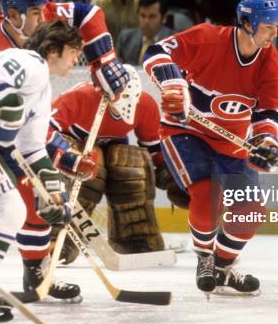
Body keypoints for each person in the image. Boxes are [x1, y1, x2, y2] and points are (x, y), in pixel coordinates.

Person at [0, 0, 127, 302]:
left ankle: (21, 275)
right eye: (35, 11)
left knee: (32, 199)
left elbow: (88, 14)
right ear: (12, 15)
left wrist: (104, 61)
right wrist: (64, 158)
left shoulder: (39, 48)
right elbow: (5, 116)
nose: (44, 17)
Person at [142, 0, 278, 295]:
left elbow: (269, 116)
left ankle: (223, 267)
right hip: (185, 131)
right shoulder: (208, 38)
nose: (275, 33)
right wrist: (171, 83)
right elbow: (156, 52)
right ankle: (204, 258)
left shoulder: (273, 65)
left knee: (250, 213)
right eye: (268, 26)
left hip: (233, 142)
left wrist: (266, 144)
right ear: (248, 23)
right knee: (206, 192)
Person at [40, 65, 187, 263]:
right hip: (71, 150)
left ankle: (133, 238)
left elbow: (155, 152)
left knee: (131, 163)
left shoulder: (145, 105)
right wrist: (70, 159)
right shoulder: (79, 97)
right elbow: (42, 133)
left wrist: (176, 178)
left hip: (109, 149)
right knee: (92, 166)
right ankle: (57, 237)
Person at [117, 0, 173, 65]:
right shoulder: (125, 37)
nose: (146, 21)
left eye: (152, 16)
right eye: (143, 16)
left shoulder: (173, 41)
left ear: (164, 18)